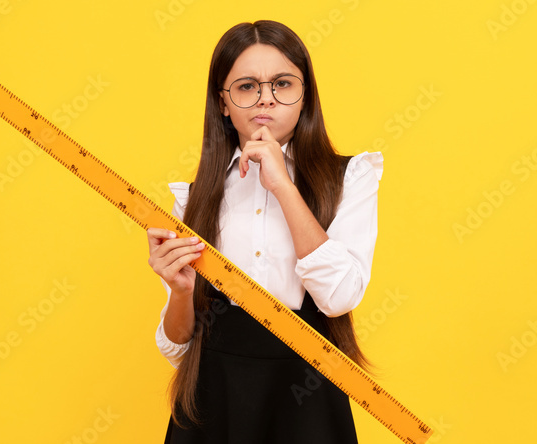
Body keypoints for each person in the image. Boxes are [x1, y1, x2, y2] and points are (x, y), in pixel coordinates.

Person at [146, 20, 383, 443]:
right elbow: (179, 347)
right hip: (215, 395)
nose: (266, 100)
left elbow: (340, 297)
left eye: (282, 84)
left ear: (305, 95)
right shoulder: (194, 198)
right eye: (246, 86)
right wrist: (180, 292)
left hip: (307, 391)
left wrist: (282, 185)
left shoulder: (351, 177)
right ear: (223, 102)